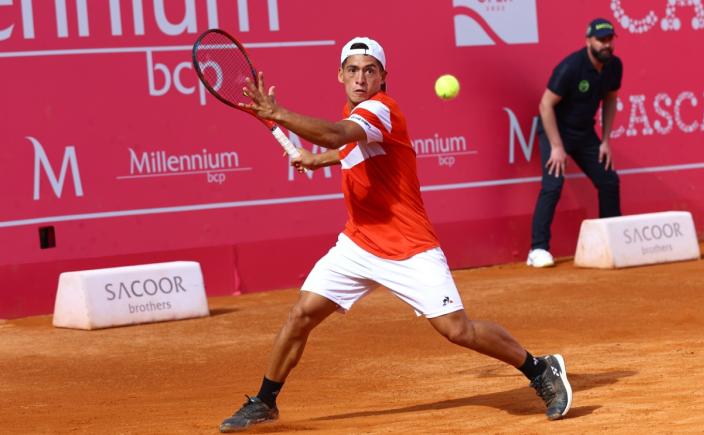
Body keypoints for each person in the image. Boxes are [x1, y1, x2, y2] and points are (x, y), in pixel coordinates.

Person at [218, 37, 572, 432]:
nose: (360, 78)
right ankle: (265, 401)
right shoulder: (357, 112)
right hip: (358, 243)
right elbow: (350, 148)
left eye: (370, 70)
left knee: (458, 330)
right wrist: (318, 160)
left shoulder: (381, 109)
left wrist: (278, 113)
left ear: (383, 77)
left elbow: (338, 135)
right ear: (340, 75)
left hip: (409, 246)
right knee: (301, 314)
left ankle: (540, 369)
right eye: (352, 70)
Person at [527, 18, 623, 268]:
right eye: (600, 40)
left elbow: (611, 100)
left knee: (608, 180)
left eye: (609, 39)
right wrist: (557, 147)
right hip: (554, 131)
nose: (606, 44)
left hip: (584, 133)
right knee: (553, 185)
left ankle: (612, 241)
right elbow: (545, 105)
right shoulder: (571, 67)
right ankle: (538, 249)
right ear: (588, 41)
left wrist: (605, 140)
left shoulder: (614, 66)